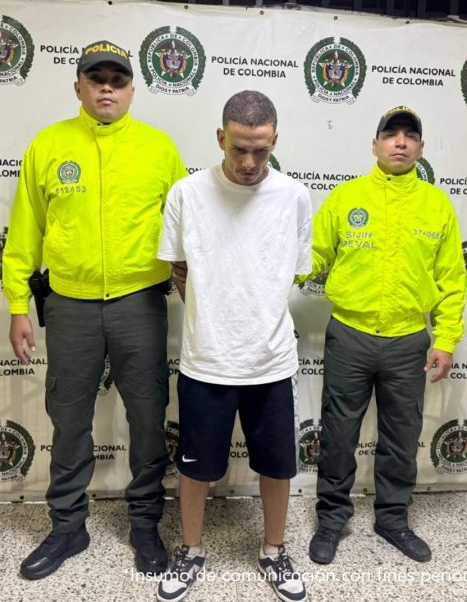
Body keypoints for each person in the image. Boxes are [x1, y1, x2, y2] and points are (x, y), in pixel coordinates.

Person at [2, 39, 187, 580]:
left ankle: (146, 524)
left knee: (149, 420)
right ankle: (66, 528)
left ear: (133, 89)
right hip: (70, 307)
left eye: (118, 79)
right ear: (78, 86)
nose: (107, 87)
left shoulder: (159, 149)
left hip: (139, 305)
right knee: (68, 421)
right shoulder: (49, 144)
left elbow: (185, 229)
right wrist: (18, 303)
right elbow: (26, 229)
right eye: (96, 77)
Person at [156, 91, 313, 602]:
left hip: (270, 360)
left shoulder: (295, 197)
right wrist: (213, 315)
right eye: (239, 149)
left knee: (277, 464)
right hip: (206, 360)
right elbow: (178, 267)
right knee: (195, 468)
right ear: (221, 138)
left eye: (261, 151)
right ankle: (191, 549)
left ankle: (273, 550)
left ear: (275, 141)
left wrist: (252, 310)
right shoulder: (186, 193)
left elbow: (290, 271)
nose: (248, 162)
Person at [306, 106, 467, 565]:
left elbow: (453, 280)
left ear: (421, 147)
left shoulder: (437, 205)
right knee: (338, 434)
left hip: (408, 340)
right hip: (351, 335)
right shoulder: (345, 198)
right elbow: (313, 256)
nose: (400, 142)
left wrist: (447, 338)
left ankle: (393, 519)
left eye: (409, 136)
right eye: (390, 134)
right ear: (374, 144)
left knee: (401, 436)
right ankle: (332, 520)